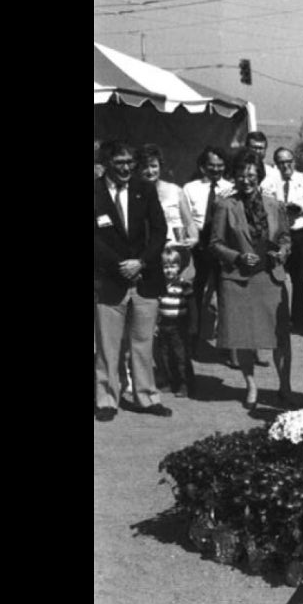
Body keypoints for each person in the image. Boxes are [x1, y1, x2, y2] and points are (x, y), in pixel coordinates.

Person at [210, 149, 293, 410]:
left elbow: (285, 237)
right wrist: (236, 257)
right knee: (243, 336)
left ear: (259, 176)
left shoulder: (274, 204)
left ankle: (285, 386)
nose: (246, 180)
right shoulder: (225, 205)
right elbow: (214, 243)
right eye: (241, 175)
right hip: (239, 280)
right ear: (233, 176)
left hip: (270, 278)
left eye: (251, 175)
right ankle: (251, 385)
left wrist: (282, 251)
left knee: (280, 337)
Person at [94, 140, 171, 421]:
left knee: (142, 342)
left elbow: (160, 231)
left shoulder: (145, 190)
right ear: (106, 163)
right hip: (108, 281)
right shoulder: (96, 192)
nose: (127, 168)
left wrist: (141, 262)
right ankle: (106, 400)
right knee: (108, 345)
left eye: (130, 162)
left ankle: (146, 397)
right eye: (120, 163)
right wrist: (118, 266)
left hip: (144, 278)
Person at [183, 147, 234, 352]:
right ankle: (192, 338)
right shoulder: (190, 188)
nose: (216, 169)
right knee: (195, 292)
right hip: (198, 244)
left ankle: (229, 345)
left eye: (220, 165)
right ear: (203, 167)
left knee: (225, 292)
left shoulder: (231, 188)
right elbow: (186, 219)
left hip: (222, 244)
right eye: (212, 165)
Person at [264, 147, 303, 333]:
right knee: (276, 278)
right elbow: (265, 205)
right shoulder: (270, 182)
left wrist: (301, 209)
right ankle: (276, 319)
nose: (285, 166)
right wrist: (281, 208)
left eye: (289, 161)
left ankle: (299, 321)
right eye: (281, 162)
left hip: (301, 233)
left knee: (300, 280)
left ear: (294, 162)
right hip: (279, 235)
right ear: (276, 164)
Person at [153, 248, 197, 398]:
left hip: (180, 324)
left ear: (179, 267)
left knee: (181, 355)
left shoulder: (184, 285)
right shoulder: (160, 284)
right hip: (164, 323)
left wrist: (193, 325)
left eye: (172, 266)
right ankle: (170, 380)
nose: (169, 270)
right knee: (165, 354)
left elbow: (192, 306)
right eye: (165, 267)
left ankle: (185, 383)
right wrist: (155, 324)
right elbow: (157, 306)